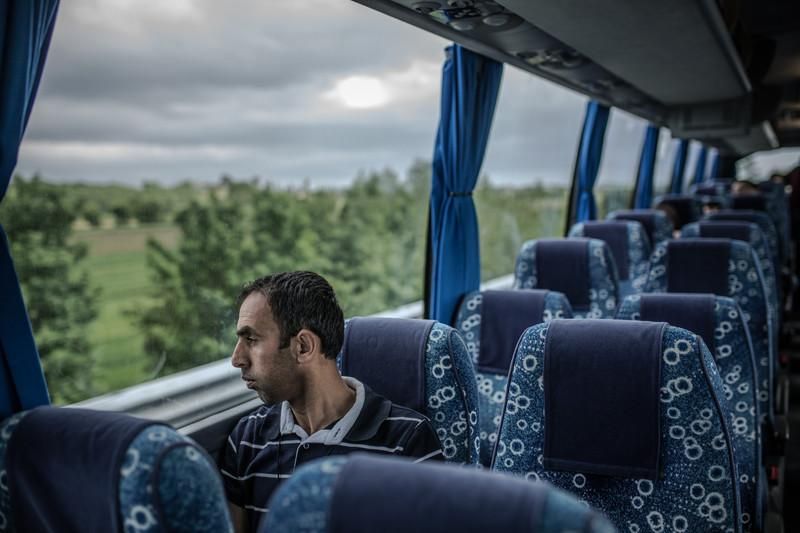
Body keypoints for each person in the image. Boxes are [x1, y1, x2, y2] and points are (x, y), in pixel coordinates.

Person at [219, 271, 443, 533]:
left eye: (251, 339)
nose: (237, 359)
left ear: (303, 346)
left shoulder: (408, 441)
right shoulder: (247, 438)